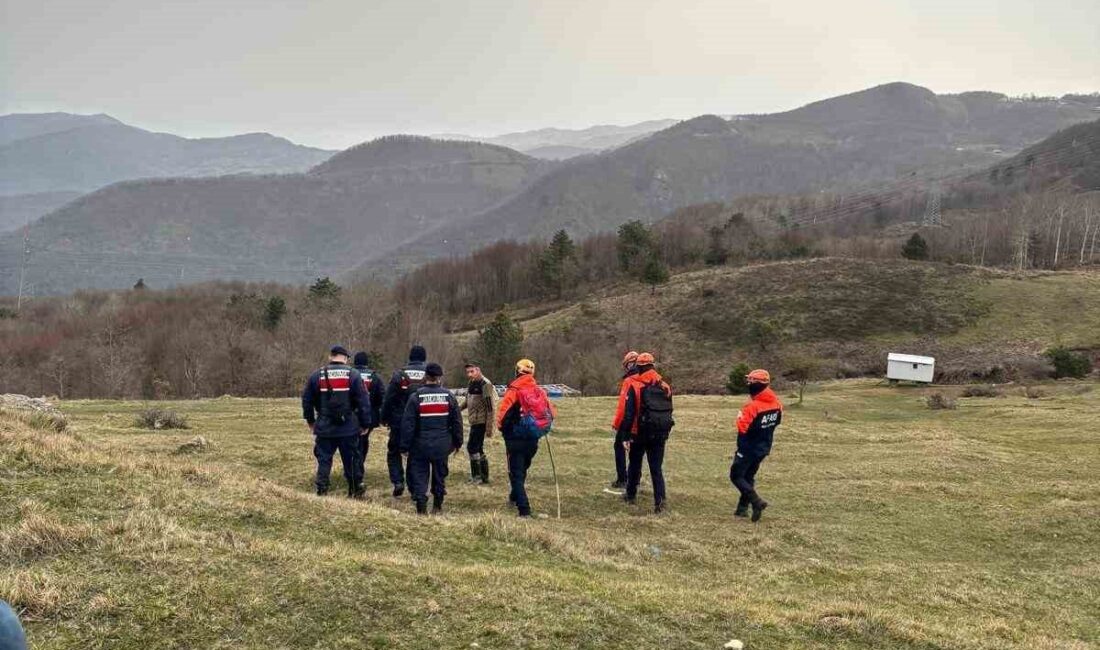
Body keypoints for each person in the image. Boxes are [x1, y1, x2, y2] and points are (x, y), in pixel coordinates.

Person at [301, 345, 372, 498]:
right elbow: (363, 401)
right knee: (351, 459)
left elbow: (307, 400)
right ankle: (355, 490)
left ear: (330, 356)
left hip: (325, 426)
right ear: (345, 358)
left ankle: (322, 489)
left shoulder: (317, 375)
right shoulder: (353, 374)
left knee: (324, 459)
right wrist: (365, 423)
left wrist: (311, 421)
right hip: (348, 427)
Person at [613, 352, 674, 513]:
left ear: (639, 367)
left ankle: (631, 494)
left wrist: (625, 435)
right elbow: (669, 410)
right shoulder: (665, 385)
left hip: (639, 432)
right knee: (656, 469)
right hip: (659, 432)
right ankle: (660, 502)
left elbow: (629, 413)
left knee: (635, 464)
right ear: (652, 366)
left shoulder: (634, 384)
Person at [399, 362, 463, 515]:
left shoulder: (416, 397)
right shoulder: (449, 396)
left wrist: (404, 446)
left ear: (425, 376)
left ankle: (421, 506)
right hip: (442, 444)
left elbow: (408, 424)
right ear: (440, 377)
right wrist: (458, 442)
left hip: (420, 445)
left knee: (419, 474)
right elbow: (457, 421)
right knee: (439, 474)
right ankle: (437, 505)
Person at [496, 358, 555, 518]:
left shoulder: (514, 390)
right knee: (522, 469)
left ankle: (524, 510)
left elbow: (502, 415)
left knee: (516, 473)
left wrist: (502, 429)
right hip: (533, 438)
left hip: (515, 438)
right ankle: (514, 497)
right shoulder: (539, 391)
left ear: (517, 371)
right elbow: (551, 413)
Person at [730, 369, 783, 522]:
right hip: (764, 447)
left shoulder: (751, 407)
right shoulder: (777, 404)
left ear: (758, 384)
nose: (748, 384)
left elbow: (742, 427)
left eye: (751, 381)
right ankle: (742, 509)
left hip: (748, 448)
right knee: (748, 476)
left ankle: (756, 502)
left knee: (736, 476)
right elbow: (777, 422)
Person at [381, 345, 428, 497]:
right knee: (415, 455)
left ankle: (398, 482)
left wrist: (384, 418)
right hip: (421, 423)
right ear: (424, 358)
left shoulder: (399, 375)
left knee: (394, 452)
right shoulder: (429, 374)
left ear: (410, 357)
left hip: (398, 422)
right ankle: (414, 488)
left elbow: (388, 399)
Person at [460, 362, 496, 484]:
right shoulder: (471, 383)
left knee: (472, 447)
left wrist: (489, 427)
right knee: (478, 448)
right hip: (473, 420)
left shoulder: (485, 384)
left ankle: (477, 477)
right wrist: (457, 409)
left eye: (472, 371)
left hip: (481, 421)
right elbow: (467, 401)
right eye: (468, 372)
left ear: (478, 370)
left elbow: (490, 408)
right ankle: (484, 476)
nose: (469, 374)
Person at [352, 351, 385, 484]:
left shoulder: (350, 374)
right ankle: (359, 466)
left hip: (352, 415)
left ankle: (355, 468)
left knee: (353, 442)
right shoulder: (374, 377)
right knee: (363, 441)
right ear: (367, 363)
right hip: (370, 416)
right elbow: (382, 396)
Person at [610, 350, 640, 490]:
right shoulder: (646, 379)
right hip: (642, 421)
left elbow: (623, 406)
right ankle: (635, 479)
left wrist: (617, 423)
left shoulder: (629, 381)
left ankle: (622, 479)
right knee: (637, 452)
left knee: (619, 446)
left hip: (627, 421)